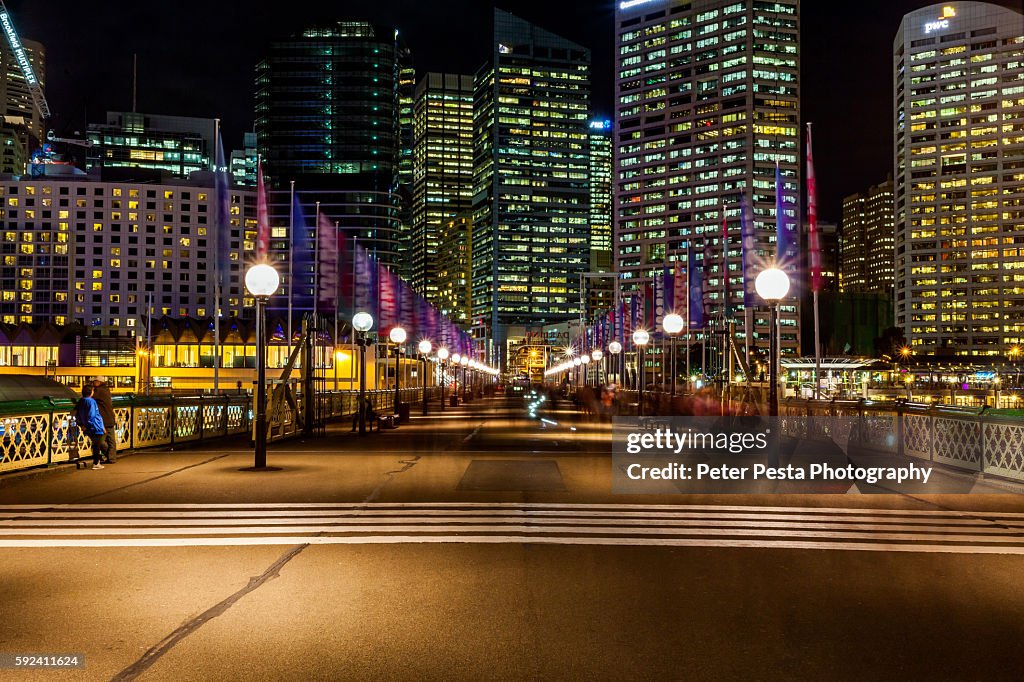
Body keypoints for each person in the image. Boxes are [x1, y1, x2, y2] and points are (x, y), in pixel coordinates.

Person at [73, 385, 106, 470]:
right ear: (91, 392)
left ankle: (97, 460)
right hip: (95, 426)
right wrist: (89, 424)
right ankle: (96, 462)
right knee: (97, 445)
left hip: (87, 426)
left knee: (96, 444)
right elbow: (92, 415)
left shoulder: (81, 401)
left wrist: (82, 425)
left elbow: (77, 414)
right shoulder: (91, 401)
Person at [91, 378, 117, 463]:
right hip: (110, 418)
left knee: (100, 441)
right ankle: (112, 458)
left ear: (98, 382)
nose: (93, 383)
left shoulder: (99, 391)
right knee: (111, 440)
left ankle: (109, 456)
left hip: (103, 419)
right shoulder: (106, 389)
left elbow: (89, 397)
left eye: (94, 381)